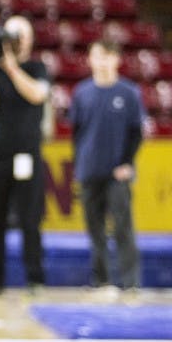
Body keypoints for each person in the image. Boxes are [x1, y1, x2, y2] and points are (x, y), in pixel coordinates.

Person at [0, 16, 51, 295]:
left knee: (30, 219)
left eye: (22, 34)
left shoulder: (37, 67)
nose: (17, 40)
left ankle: (35, 277)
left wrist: (11, 67)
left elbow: (37, 95)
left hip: (26, 153)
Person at [69, 39, 145, 292]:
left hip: (117, 172)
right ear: (89, 59)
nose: (101, 61)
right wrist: (81, 164)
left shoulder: (128, 93)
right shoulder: (82, 92)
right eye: (96, 55)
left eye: (106, 56)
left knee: (123, 226)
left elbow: (136, 132)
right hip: (90, 170)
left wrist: (126, 163)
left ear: (116, 59)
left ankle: (130, 282)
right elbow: (77, 132)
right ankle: (101, 280)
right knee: (95, 229)